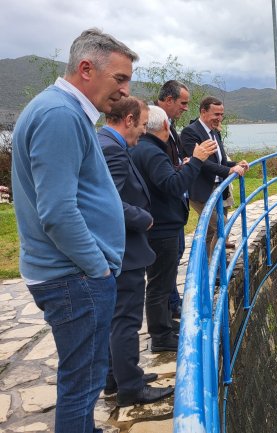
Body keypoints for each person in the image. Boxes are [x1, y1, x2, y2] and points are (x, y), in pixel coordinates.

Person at [11, 28, 136, 433]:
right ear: (86, 68)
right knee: (82, 383)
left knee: (85, 378)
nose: (124, 91)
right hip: (75, 278)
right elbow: (58, 212)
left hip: (74, 275)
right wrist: (97, 267)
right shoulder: (60, 115)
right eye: (120, 79)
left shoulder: (60, 110)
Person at [97, 97, 174, 406]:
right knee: (126, 320)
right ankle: (130, 386)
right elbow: (109, 201)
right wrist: (144, 218)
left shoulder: (105, 141)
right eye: (142, 125)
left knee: (119, 318)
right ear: (128, 120)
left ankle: (117, 376)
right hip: (124, 249)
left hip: (120, 248)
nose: (143, 132)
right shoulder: (113, 149)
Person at [130, 105, 217, 352]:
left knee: (162, 281)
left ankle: (166, 326)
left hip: (158, 223)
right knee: (160, 284)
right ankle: (161, 335)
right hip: (162, 227)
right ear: (166, 126)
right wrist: (197, 161)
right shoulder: (154, 152)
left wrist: (182, 167)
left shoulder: (144, 148)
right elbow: (173, 186)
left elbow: (162, 180)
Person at [180, 96, 249, 256]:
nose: (219, 118)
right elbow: (201, 163)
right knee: (221, 225)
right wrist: (229, 171)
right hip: (200, 190)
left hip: (219, 188)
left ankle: (206, 267)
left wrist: (237, 164)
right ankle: (213, 269)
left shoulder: (215, 132)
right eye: (216, 114)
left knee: (211, 232)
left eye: (221, 114)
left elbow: (221, 161)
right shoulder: (190, 132)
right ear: (203, 111)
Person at [155, 80, 190, 319]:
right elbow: (160, 170)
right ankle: (169, 307)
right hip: (162, 210)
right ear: (168, 100)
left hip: (174, 207)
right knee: (166, 261)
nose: (186, 108)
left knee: (176, 252)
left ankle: (172, 301)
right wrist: (185, 166)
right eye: (183, 103)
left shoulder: (170, 125)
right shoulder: (154, 125)